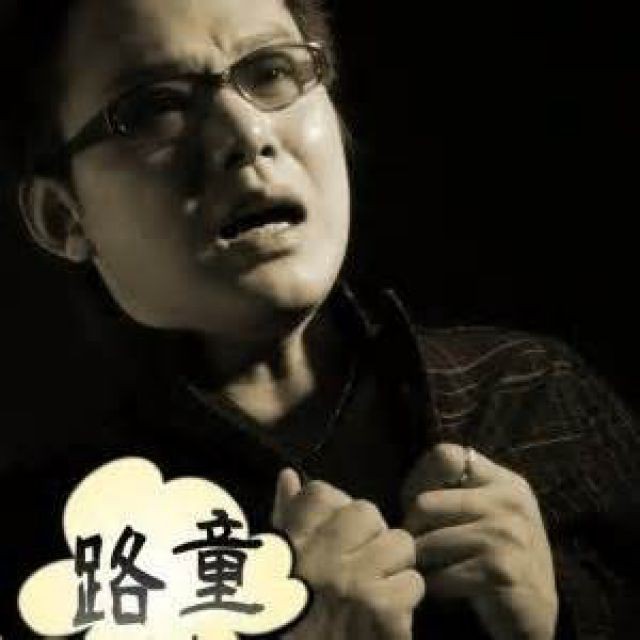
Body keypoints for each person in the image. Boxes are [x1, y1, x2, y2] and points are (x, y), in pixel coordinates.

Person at [0, 0, 638, 638]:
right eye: (156, 107)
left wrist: (558, 618)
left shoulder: (533, 395)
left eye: (272, 71)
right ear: (63, 217)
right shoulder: (42, 542)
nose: (246, 133)